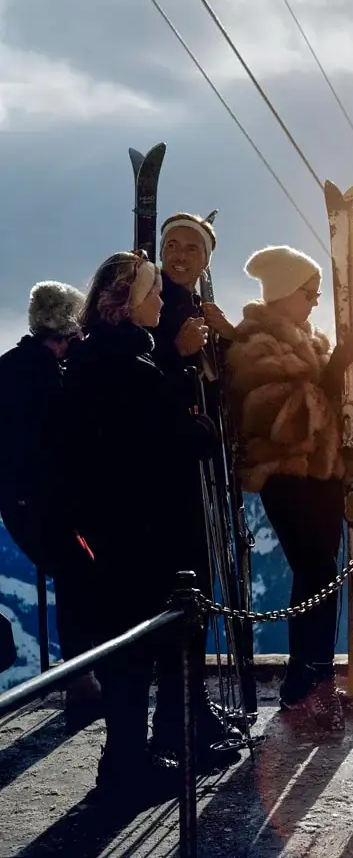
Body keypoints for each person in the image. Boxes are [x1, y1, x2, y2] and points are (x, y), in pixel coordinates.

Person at [59, 251, 221, 800]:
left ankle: (128, 759)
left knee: (128, 649)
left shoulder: (93, 359)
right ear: (127, 304)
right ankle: (126, 767)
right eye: (151, 294)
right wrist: (196, 426)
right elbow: (171, 442)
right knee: (137, 650)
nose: (159, 302)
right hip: (141, 531)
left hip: (111, 529)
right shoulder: (128, 365)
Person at [225, 245, 353, 731]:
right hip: (286, 476)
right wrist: (334, 378)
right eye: (307, 293)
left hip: (323, 475)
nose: (314, 302)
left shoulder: (309, 340)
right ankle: (306, 685)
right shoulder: (254, 345)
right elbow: (283, 422)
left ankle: (310, 679)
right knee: (315, 571)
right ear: (283, 293)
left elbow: (336, 412)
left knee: (321, 577)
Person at [147, 212, 242, 764]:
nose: (179, 255)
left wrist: (224, 341)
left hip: (196, 478)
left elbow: (220, 389)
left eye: (191, 248)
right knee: (186, 596)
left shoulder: (189, 308)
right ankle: (178, 724)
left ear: (206, 260)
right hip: (174, 483)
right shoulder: (157, 311)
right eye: (172, 245)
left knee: (196, 598)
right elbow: (151, 388)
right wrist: (181, 354)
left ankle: (191, 711)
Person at [0, 280, 102, 728]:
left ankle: (81, 679)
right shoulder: (52, 378)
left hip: (19, 500)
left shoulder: (10, 367)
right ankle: (84, 681)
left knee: (73, 576)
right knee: (81, 576)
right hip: (48, 501)